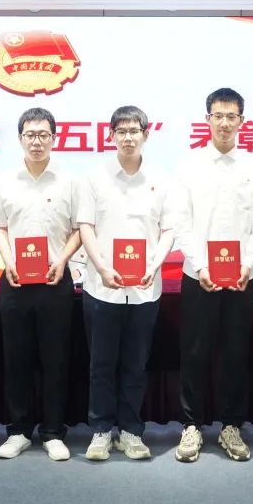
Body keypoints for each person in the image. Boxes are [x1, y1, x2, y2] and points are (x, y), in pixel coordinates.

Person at [172, 87, 253, 462]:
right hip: (198, 275)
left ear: (242, 121)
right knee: (194, 352)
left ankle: (231, 426)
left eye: (232, 116)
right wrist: (200, 265)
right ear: (208, 120)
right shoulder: (189, 166)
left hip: (242, 276)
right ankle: (191, 425)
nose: (225, 123)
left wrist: (249, 262)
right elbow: (181, 222)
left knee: (235, 353)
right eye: (219, 116)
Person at [77, 105, 173, 461]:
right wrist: (102, 267)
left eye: (134, 131)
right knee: (101, 365)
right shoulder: (95, 177)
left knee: (135, 365)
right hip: (102, 287)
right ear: (111, 135)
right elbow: (85, 226)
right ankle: (101, 431)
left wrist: (155, 265)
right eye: (121, 131)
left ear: (146, 135)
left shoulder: (161, 179)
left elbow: (168, 229)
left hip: (145, 288)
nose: (128, 137)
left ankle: (131, 431)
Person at [0, 107, 82, 461]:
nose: (37, 141)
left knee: (56, 359)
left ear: (54, 138)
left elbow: (79, 229)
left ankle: (53, 432)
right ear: (20, 139)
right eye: (30, 135)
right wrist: (8, 261)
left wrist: (63, 259)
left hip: (55, 280)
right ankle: (18, 431)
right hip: (15, 280)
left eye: (44, 135)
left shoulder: (70, 182)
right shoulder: (4, 181)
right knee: (16, 359)